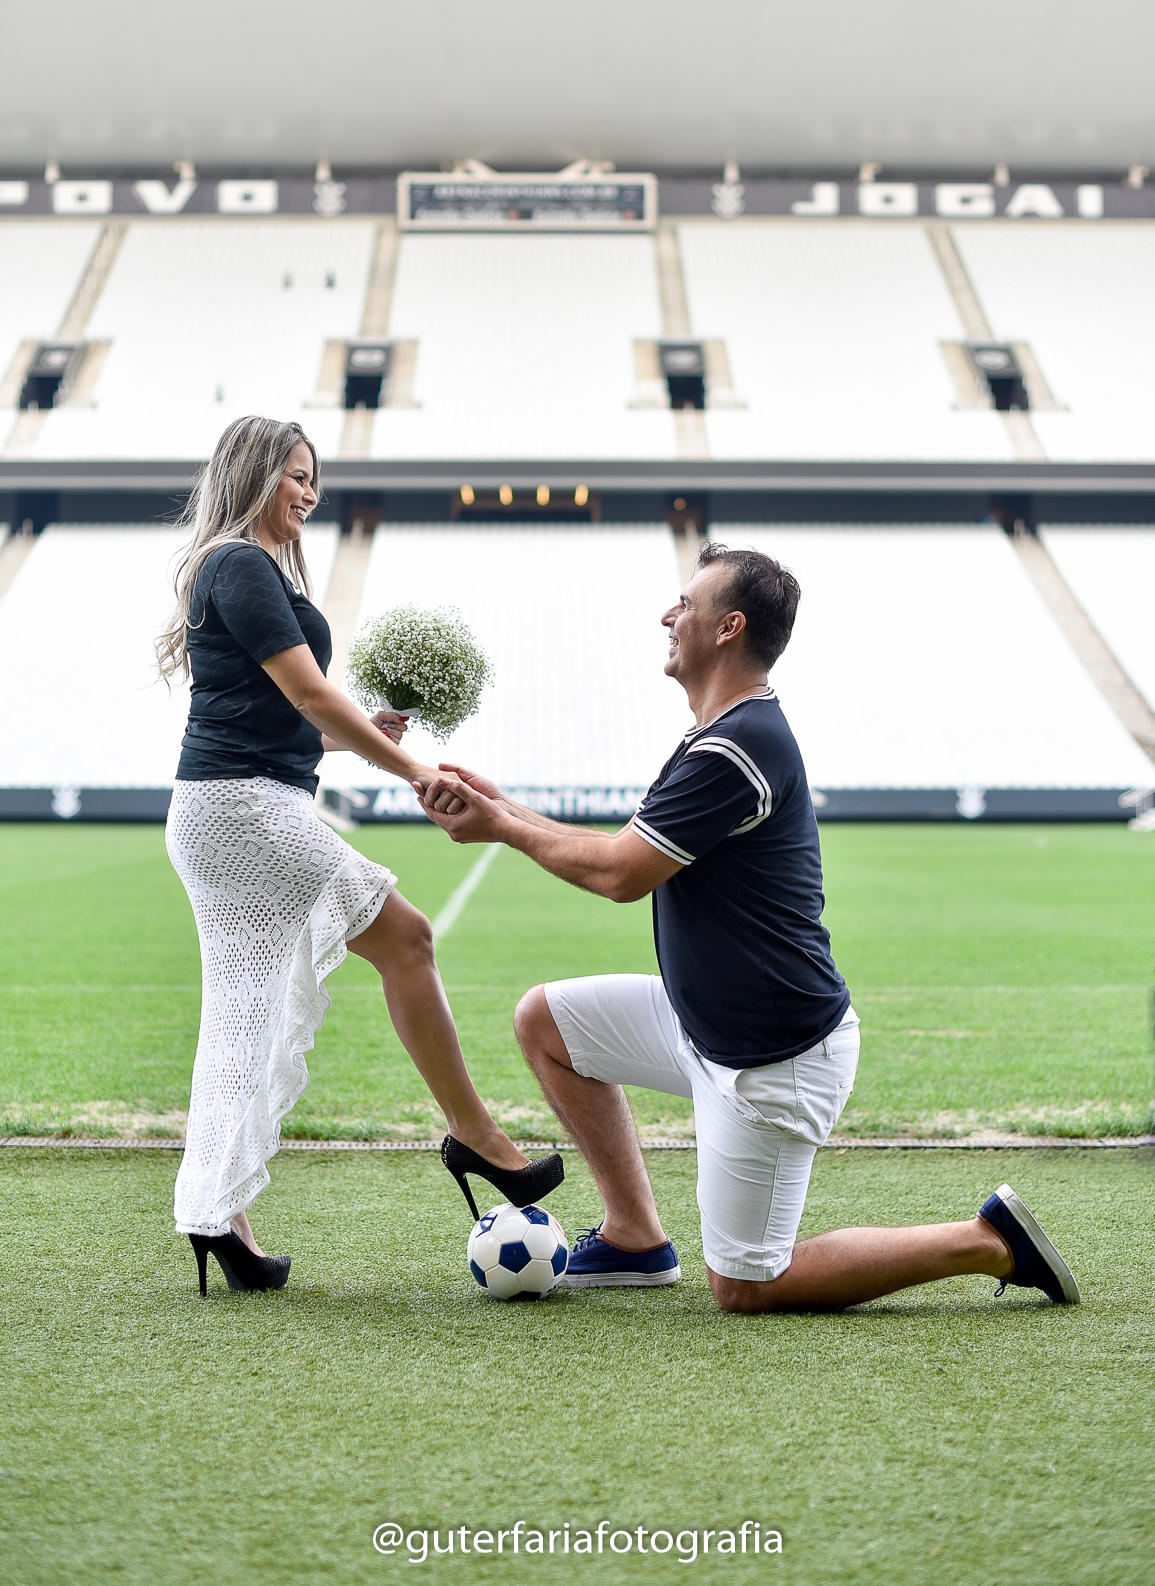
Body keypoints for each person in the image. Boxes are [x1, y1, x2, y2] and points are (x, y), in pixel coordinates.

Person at [418, 543, 1079, 1313]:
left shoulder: (737, 746)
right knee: (546, 1021)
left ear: (728, 628)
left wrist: (501, 828)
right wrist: (507, 809)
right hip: (705, 1025)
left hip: (772, 1059)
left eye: (685, 605)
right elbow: (623, 848)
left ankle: (986, 1241)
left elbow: (618, 876)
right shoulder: (722, 733)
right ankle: (634, 1237)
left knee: (747, 1285)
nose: (669, 615)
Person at [157, 416, 561, 1295]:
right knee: (407, 937)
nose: (309, 492)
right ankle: (477, 1137)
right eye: (296, 475)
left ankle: (217, 1218)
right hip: (243, 811)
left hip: (223, 805)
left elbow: (279, 715)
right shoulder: (240, 561)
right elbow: (304, 691)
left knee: (239, 1019)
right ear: (256, 471)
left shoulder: (239, 566)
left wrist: (353, 741)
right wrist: (411, 766)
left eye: (314, 479)